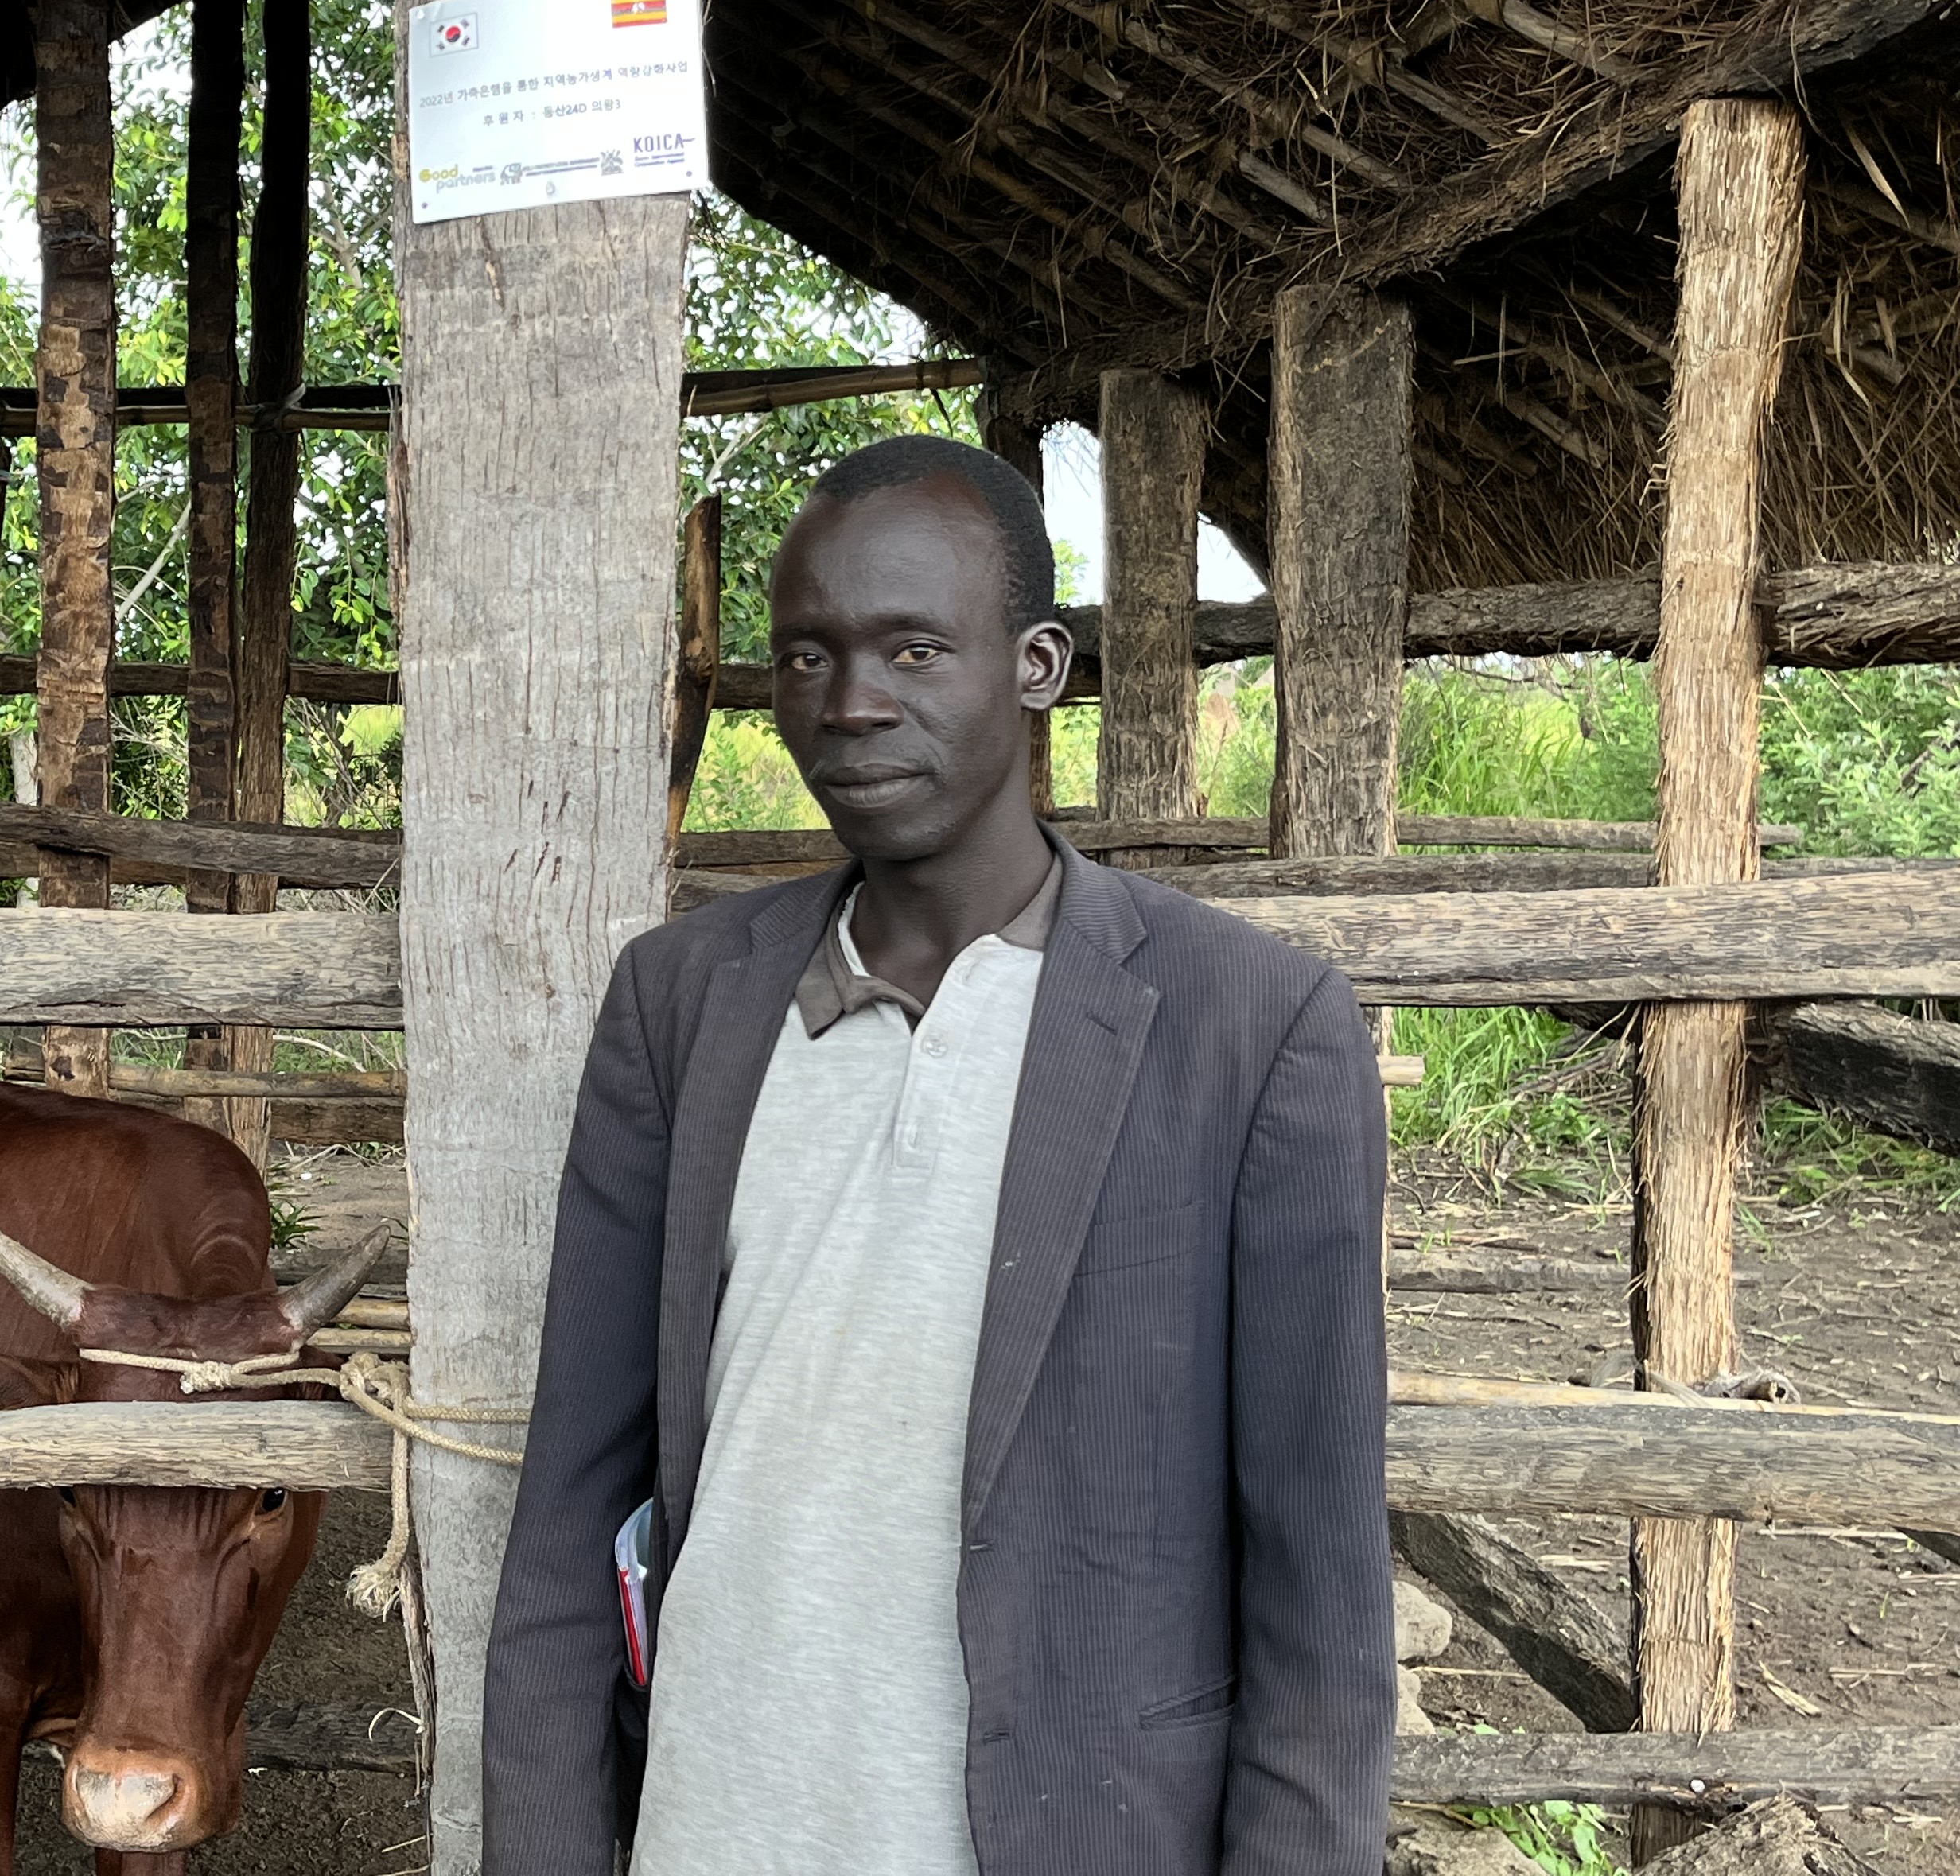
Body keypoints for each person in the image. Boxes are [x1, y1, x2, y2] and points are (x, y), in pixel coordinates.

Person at [480, 433, 1393, 1876]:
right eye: (806, 657)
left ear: (1038, 666)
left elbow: (1321, 1595)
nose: (849, 705)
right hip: (713, 1827)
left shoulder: (1250, 1031)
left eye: (913, 649)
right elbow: (570, 1511)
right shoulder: (684, 1004)